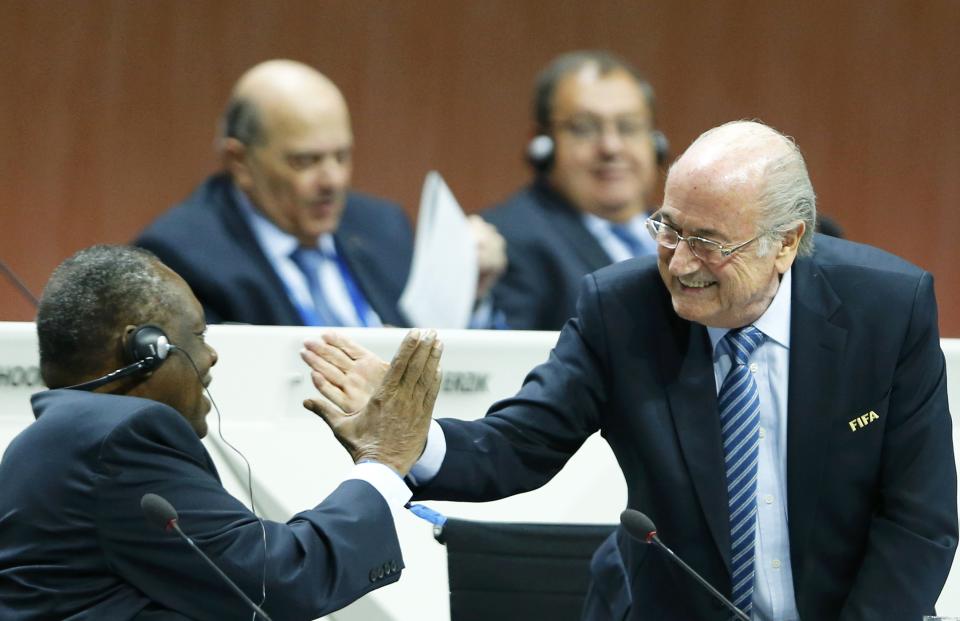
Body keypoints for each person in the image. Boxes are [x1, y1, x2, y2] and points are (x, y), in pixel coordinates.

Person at [310, 121, 957, 619]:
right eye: (668, 229)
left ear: (785, 241)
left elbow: (919, 520)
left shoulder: (886, 311)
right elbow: (520, 442)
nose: (678, 264)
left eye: (708, 241)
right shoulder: (622, 308)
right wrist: (411, 440)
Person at [0, 245, 442, 620]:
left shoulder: (60, 442)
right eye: (197, 334)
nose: (210, 356)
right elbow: (278, 582)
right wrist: (384, 460)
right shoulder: (117, 439)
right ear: (144, 348)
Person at [483, 50, 844, 331]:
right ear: (542, 144)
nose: (611, 147)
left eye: (628, 127)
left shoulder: (688, 229)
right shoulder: (510, 241)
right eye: (584, 128)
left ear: (655, 141)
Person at [136, 59, 505, 327]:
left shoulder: (382, 226)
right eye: (305, 161)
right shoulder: (183, 256)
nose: (332, 181)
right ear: (240, 161)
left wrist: (467, 296)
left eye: (341, 156)